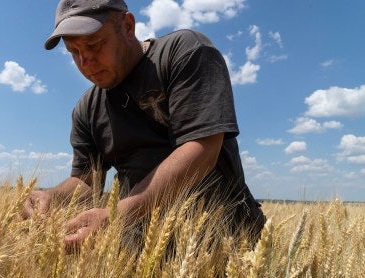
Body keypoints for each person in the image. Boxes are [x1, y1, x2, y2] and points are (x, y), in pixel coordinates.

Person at [22, 0, 265, 251]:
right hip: (141, 254)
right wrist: (51, 196)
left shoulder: (183, 52)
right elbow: (86, 181)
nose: (85, 61)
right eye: (74, 51)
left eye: (93, 44)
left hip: (224, 244)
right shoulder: (86, 110)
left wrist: (116, 215)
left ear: (127, 26)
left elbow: (202, 149)